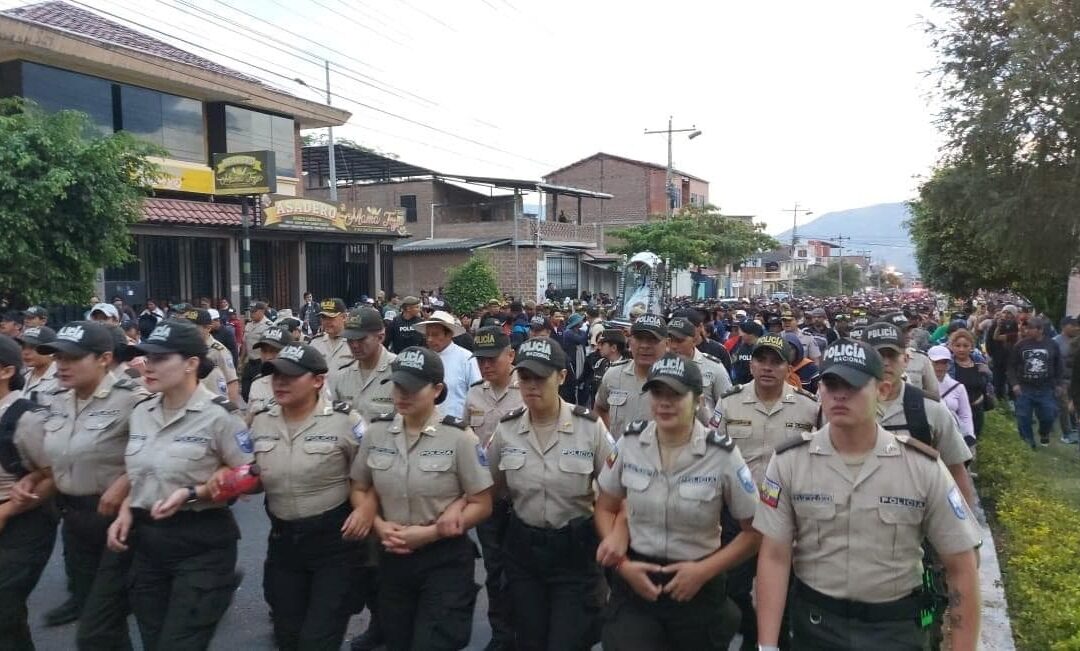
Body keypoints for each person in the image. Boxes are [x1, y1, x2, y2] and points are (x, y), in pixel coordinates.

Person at [754, 338, 982, 650]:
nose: (840, 395)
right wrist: (767, 645)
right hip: (816, 625)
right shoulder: (789, 462)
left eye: (853, 385)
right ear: (819, 390)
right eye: (831, 384)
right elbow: (774, 556)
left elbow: (961, 565)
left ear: (882, 391)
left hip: (896, 629)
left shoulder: (922, 466)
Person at [594, 353, 761, 650]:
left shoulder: (721, 455)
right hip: (637, 581)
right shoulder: (630, 443)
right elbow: (606, 506)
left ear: (697, 400)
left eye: (676, 394)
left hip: (697, 585)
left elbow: (754, 530)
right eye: (657, 393)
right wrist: (621, 564)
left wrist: (704, 571)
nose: (665, 402)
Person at [106, 320, 253, 650]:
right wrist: (127, 510)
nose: (147, 365)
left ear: (191, 364)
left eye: (160, 358)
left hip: (200, 543)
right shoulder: (142, 411)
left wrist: (196, 491)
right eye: (145, 357)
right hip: (148, 545)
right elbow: (143, 472)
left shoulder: (220, 415)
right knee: (154, 640)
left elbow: (251, 474)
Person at [348, 346, 494, 651]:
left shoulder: (459, 438)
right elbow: (360, 486)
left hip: (443, 559)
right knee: (397, 640)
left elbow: (482, 503)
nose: (403, 395)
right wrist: (376, 524)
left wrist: (430, 533)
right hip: (392, 557)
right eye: (398, 386)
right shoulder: (377, 433)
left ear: (437, 389)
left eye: (413, 388)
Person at [238, 342, 370, 651]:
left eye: (290, 376)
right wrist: (241, 482)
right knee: (287, 634)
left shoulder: (346, 421)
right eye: (274, 375)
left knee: (318, 638)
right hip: (284, 543)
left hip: (333, 544)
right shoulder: (260, 419)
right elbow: (251, 473)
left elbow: (370, 474)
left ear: (318, 381)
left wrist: (365, 510)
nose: (280, 383)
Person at [485, 337, 613, 650]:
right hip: (525, 554)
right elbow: (490, 490)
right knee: (530, 640)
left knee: (566, 642)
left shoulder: (590, 428)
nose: (531, 386)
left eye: (541, 378)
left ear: (562, 376)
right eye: (525, 377)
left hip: (575, 553)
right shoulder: (506, 429)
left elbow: (615, 491)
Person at [30, 321, 148, 646]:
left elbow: (158, 453)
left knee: (96, 626)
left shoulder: (132, 399)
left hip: (119, 522)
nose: (62, 365)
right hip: (74, 520)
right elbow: (53, 454)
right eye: (58, 357)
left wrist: (124, 483)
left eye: (72, 357)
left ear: (103, 358)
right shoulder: (56, 399)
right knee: (101, 624)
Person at [861, 323, 976, 510]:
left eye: (891, 355)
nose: (885, 362)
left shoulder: (931, 409)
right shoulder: (841, 408)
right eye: (877, 356)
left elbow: (956, 470)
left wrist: (965, 528)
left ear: (906, 359)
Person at [460, 326, 522, 651]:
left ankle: (525, 631)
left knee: (523, 570)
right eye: (480, 360)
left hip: (521, 497)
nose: (486, 366)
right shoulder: (473, 394)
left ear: (510, 356)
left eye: (492, 359)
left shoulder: (527, 388)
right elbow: (466, 444)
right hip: (487, 498)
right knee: (495, 569)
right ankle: (501, 634)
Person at [0, 334, 55, 650]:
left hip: (25, 522)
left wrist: (7, 510)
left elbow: (53, 475)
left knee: (4, 606)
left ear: (6, 371)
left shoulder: (25, 417)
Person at [595, 314, 669, 440]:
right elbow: (600, 408)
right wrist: (608, 442)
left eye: (652, 340)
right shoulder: (613, 375)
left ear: (667, 343)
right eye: (639, 339)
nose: (644, 346)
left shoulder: (678, 381)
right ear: (629, 341)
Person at [331, 307, 397, 421]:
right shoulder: (341, 376)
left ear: (380, 337)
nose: (354, 345)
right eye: (350, 340)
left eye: (361, 339)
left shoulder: (399, 372)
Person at [1008, 315, 1063, 449]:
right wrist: (1014, 384)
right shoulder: (1020, 345)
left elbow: (1058, 365)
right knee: (1023, 417)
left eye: (1030, 328)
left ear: (1040, 329)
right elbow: (1011, 367)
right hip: (1025, 387)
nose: (1027, 331)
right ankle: (1028, 442)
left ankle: (1044, 433)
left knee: (1049, 414)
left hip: (1045, 387)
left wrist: (1059, 384)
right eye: (1026, 328)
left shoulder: (1052, 344)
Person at [414, 310, 481, 420]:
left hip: (456, 426)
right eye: (427, 335)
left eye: (435, 335)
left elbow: (477, 395)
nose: (430, 339)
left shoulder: (466, 358)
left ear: (449, 334)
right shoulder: (421, 358)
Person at [666, 315, 733, 423]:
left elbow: (728, 407)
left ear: (693, 341)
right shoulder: (658, 365)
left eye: (679, 341)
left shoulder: (714, 367)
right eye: (670, 340)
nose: (673, 346)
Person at [182, 308, 240, 403]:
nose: (188, 331)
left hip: (212, 405)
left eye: (193, 328)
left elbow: (231, 382)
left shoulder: (218, 351)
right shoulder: (183, 348)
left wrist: (232, 411)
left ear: (208, 328)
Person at [929, 345, 975, 445]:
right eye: (936, 363)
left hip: (953, 439)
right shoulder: (919, 386)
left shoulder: (958, 387)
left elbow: (965, 415)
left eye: (944, 363)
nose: (940, 367)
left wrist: (969, 436)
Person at [246, 326, 289, 420]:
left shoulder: (305, 382)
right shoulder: (257, 383)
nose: (268, 357)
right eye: (264, 351)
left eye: (275, 351)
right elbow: (249, 422)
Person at [309, 298, 354, 381]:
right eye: (323, 317)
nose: (326, 322)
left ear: (344, 317)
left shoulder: (356, 342)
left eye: (330, 317)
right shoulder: (315, 343)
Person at [1052, 316, 1079, 443]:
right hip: (1062, 380)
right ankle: (1066, 433)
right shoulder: (1055, 342)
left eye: (1076, 325)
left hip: (1075, 380)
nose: (1076, 328)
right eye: (1072, 325)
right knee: (1064, 406)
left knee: (1073, 406)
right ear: (1064, 326)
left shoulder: (1077, 341)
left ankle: (1073, 429)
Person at [16, 326, 58, 403]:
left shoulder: (62, 379)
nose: (26, 352)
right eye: (23, 347)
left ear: (51, 350)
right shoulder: (23, 376)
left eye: (33, 347)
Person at [241, 301, 272, 401]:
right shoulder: (249, 324)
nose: (251, 314)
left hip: (261, 363)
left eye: (254, 312)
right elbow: (245, 343)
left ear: (262, 311)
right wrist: (241, 360)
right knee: (245, 391)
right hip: (250, 362)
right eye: (251, 312)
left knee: (259, 391)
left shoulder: (268, 325)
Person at [730, 320, 763, 385]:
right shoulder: (738, 347)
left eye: (743, 332)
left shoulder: (763, 348)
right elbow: (733, 365)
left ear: (751, 334)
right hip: (740, 385)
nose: (740, 335)